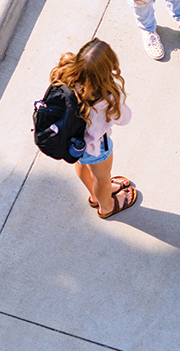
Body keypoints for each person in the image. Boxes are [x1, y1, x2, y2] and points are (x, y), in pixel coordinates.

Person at [50, 39, 136, 218]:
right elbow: (124, 119)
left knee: (82, 164)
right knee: (102, 178)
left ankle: (94, 195)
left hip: (73, 143)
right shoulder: (108, 98)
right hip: (96, 146)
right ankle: (107, 206)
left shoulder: (67, 76)